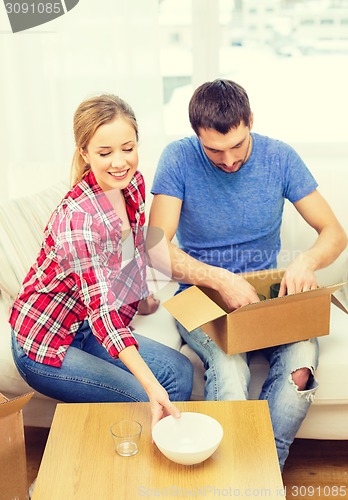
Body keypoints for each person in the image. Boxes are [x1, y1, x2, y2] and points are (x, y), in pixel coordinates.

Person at [148, 79, 347, 468]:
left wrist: (305, 262)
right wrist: (221, 278)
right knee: (228, 367)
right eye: (214, 150)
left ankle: (261, 474)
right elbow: (155, 248)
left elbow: (335, 233)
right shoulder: (177, 158)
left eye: (237, 145)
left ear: (250, 120)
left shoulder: (280, 157)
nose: (228, 160)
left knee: (302, 363)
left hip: (269, 297)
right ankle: (231, 476)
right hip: (202, 298)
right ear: (196, 135)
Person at [10, 94, 193, 427]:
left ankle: (160, 459)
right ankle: (124, 473)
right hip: (47, 341)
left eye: (128, 148)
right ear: (85, 153)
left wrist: (140, 299)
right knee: (143, 399)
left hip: (88, 326)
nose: (120, 162)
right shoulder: (78, 220)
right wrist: (150, 386)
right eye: (105, 153)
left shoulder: (132, 185)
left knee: (179, 372)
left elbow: (131, 250)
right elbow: (103, 313)